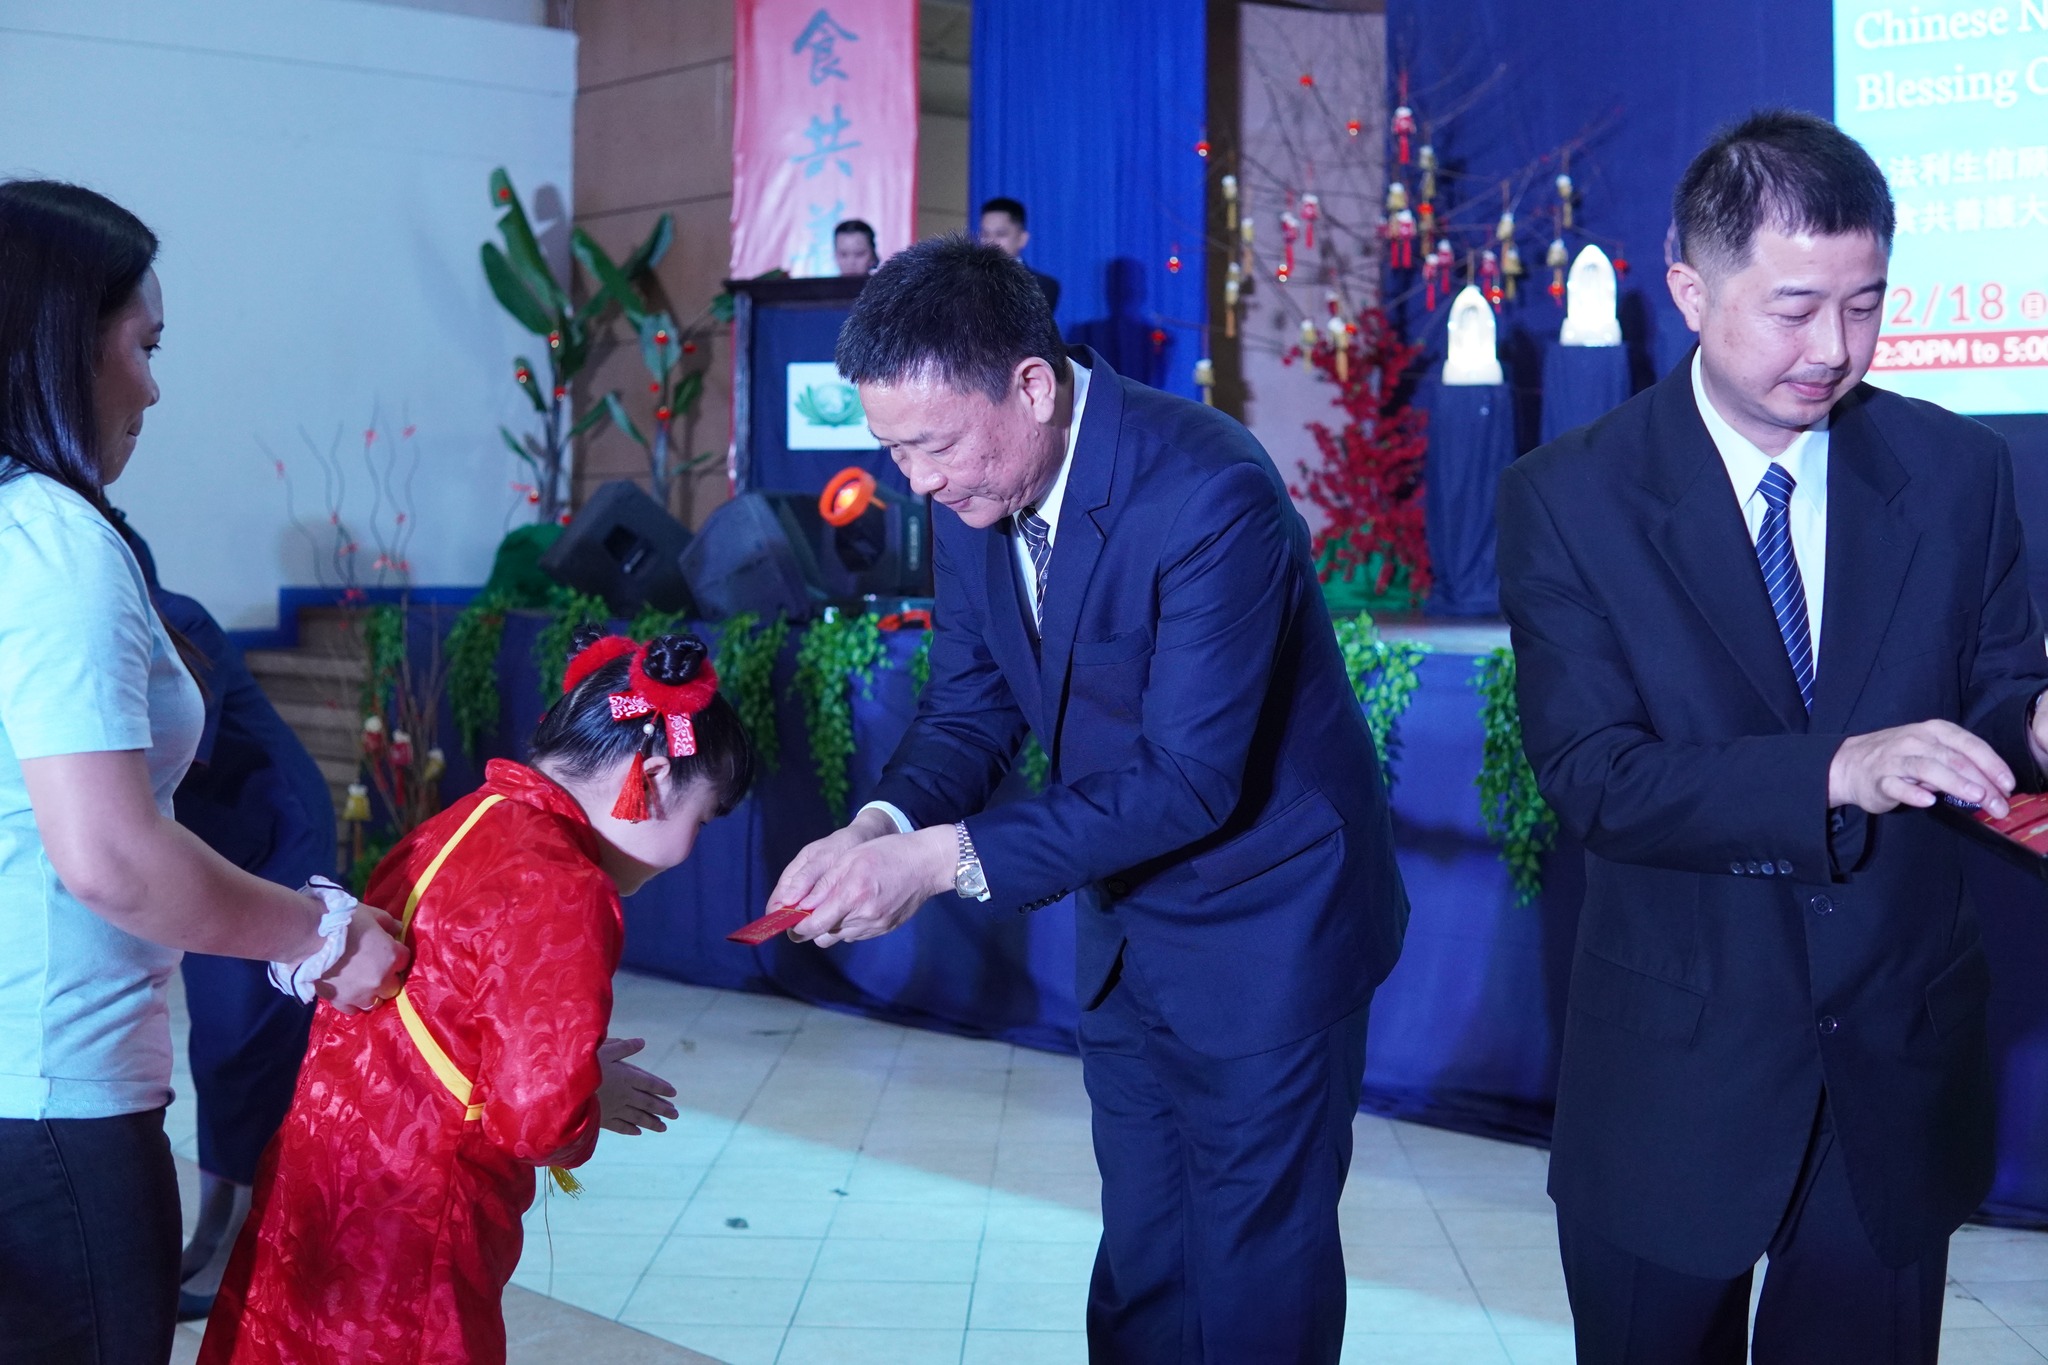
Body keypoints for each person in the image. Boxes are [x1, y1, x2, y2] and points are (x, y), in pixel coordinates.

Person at [768, 236, 1409, 1363]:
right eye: (892, 449)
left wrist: (937, 864)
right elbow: (970, 707)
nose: (915, 481)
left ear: (1028, 383)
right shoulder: (974, 492)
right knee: (1145, 1261)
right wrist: (880, 827)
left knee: (1255, 1273)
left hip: (1270, 928)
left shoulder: (1207, 489)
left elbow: (1188, 777)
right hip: (1126, 922)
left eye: (931, 445)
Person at [1496, 109, 2048, 1364]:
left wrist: (2032, 722)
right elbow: (1599, 778)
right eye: (1795, 308)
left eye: (1864, 306)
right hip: (1671, 1081)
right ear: (1690, 290)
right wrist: (1834, 771)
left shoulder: (1952, 471)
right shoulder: (1570, 497)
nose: (1833, 348)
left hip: (1892, 1074)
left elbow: (1986, 704)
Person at [0, 179, 406, 1365]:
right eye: (145, 344)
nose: (154, 386)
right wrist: (318, 937)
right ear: (61, 340)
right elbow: (115, 858)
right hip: (51, 1104)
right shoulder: (54, 544)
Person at [200, 629, 753, 1365]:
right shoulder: (564, 885)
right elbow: (533, 1118)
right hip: (416, 1213)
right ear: (647, 776)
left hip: (326, 1172)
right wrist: (589, 1092)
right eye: (703, 818)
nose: (693, 848)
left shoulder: (461, 820)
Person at [111, 515, 333, 1323]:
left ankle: (242, 1234)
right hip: (214, 846)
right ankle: (220, 1229)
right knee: (217, 1041)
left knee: (248, 1034)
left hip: (273, 836)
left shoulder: (181, 624)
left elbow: (162, 759)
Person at [979, 196, 1061, 314]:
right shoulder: (961, 281)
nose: (990, 242)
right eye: (985, 234)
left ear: (1022, 239)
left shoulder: (1042, 286)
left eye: (1000, 234)